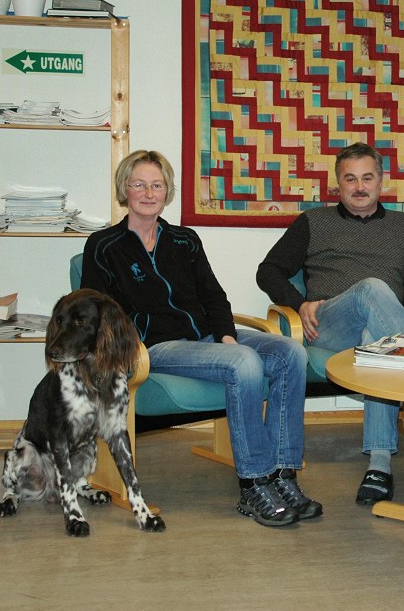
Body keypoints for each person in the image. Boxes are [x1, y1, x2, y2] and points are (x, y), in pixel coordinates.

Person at [81, 150, 319, 528]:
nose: (148, 193)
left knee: (290, 352)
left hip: (207, 336)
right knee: (244, 362)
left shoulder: (184, 240)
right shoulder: (103, 245)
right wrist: (130, 348)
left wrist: (225, 336)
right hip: (156, 348)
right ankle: (254, 483)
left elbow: (213, 296)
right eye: (139, 184)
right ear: (124, 188)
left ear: (167, 191)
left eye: (157, 185)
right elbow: (98, 312)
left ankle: (282, 474)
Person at [256, 142, 404, 506]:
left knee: (377, 341)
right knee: (372, 288)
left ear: (381, 181)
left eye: (367, 178)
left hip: (377, 331)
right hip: (329, 325)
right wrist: (300, 304)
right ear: (337, 184)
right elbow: (268, 271)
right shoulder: (313, 222)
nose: (359, 187)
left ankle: (379, 466)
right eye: (350, 179)